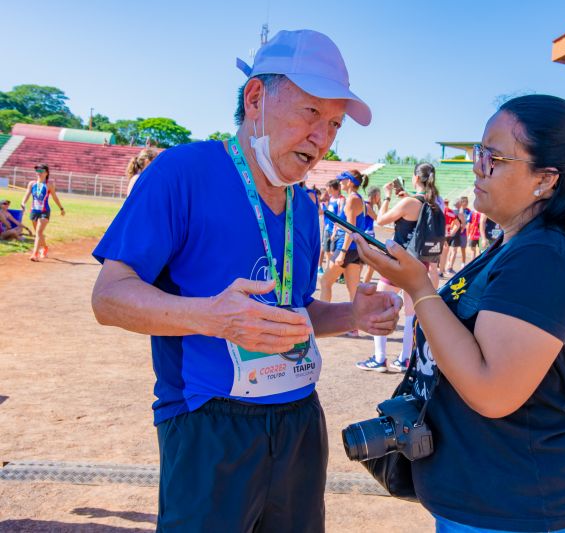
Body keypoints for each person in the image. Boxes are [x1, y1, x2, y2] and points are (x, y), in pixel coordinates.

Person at [90, 30, 401, 531]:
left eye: (334, 124)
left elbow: (292, 312)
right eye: (310, 113)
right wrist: (211, 317)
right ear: (255, 97)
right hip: (208, 420)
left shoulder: (305, 204)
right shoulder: (182, 172)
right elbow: (108, 297)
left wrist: (352, 315)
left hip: (299, 417)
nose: (322, 138)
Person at [353, 94, 565, 531]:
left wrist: (419, 288)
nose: (478, 165)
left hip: (522, 506)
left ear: (546, 179)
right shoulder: (521, 240)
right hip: (507, 493)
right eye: (479, 152)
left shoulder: (544, 256)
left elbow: (493, 390)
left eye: (494, 157)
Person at [356, 162, 442, 372]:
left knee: (381, 305)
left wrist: (387, 197)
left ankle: (379, 358)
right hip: (420, 261)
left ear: (415, 177)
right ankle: (405, 358)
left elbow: (381, 221)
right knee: (411, 314)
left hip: (399, 260)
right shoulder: (436, 203)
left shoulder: (408, 202)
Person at [319, 170, 369, 306]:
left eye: (343, 179)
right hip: (354, 249)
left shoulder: (352, 199)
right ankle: (354, 326)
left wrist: (342, 252)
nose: (340, 182)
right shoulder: (357, 198)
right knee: (353, 290)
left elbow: (351, 229)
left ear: (350, 182)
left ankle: (322, 319)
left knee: (325, 282)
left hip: (347, 248)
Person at [21, 163, 65, 261]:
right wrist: (23, 203)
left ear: (46, 173)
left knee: (38, 232)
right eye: (37, 171)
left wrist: (61, 208)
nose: (39, 173)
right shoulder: (32, 184)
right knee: (39, 233)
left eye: (41, 171)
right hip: (34, 211)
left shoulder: (49, 185)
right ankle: (44, 247)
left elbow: (54, 197)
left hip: (44, 211)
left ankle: (34, 254)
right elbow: (27, 194)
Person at [321, 178, 345, 269]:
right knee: (326, 251)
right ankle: (327, 268)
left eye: (328, 187)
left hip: (335, 229)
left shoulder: (341, 199)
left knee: (333, 252)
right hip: (328, 228)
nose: (326, 188)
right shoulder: (329, 198)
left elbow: (340, 216)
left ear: (332, 187)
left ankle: (334, 271)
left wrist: (335, 230)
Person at [361, 185, 381, 283]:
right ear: (375, 195)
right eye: (379, 195)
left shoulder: (369, 205)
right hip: (366, 235)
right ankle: (363, 285)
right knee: (371, 265)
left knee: (368, 265)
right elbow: (379, 219)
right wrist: (380, 205)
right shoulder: (367, 205)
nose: (380, 197)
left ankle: (363, 285)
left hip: (368, 235)